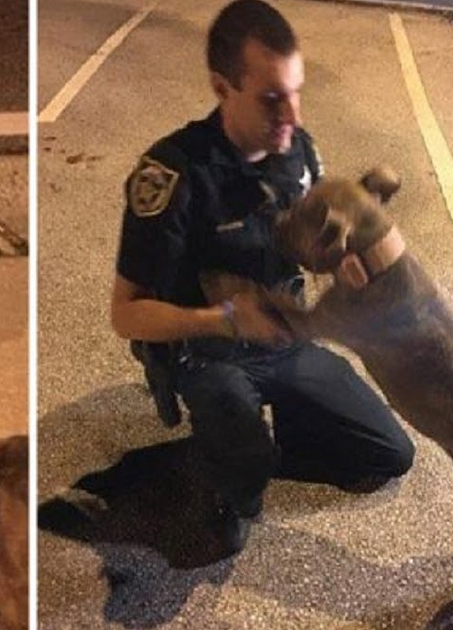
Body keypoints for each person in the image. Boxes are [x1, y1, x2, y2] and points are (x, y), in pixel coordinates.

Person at [110, 0, 415, 552]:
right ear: (222, 87)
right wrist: (224, 319)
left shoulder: (299, 151)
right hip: (209, 350)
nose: (291, 115)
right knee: (230, 524)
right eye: (272, 99)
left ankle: (256, 445)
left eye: (296, 92)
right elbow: (124, 313)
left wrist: (344, 263)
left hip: (285, 337)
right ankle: (229, 464)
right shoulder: (173, 175)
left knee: (390, 454)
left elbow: (315, 247)